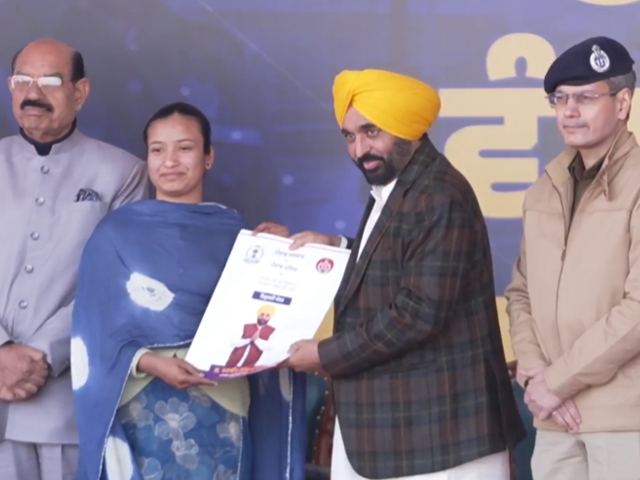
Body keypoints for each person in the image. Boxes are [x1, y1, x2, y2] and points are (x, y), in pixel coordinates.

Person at [256, 69, 525, 479]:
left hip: (438, 436)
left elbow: (417, 314)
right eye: (349, 136)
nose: (359, 149)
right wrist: (337, 247)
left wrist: (325, 354)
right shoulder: (401, 185)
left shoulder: (438, 195)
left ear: (408, 127)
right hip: (398, 433)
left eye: (371, 132)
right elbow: (403, 259)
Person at [70, 102, 307, 480]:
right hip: (141, 404)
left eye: (184, 148)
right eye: (157, 150)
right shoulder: (114, 234)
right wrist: (153, 363)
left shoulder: (237, 234)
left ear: (208, 156)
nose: (170, 161)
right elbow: (92, 332)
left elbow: (267, 318)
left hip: (222, 401)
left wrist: (282, 252)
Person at [0, 38, 148, 480]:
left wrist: (41, 354)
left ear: (80, 92)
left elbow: (120, 281)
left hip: (64, 403)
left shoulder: (122, 172)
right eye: (22, 80)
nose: (33, 93)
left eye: (49, 81)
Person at [506, 36, 640, 480]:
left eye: (585, 98)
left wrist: (558, 380)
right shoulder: (544, 190)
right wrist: (535, 375)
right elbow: (520, 293)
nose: (569, 111)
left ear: (623, 103)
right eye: (560, 99)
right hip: (555, 417)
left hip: (625, 420)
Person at [225, 304, 277, 368]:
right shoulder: (246, 326)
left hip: (249, 366)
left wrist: (257, 340)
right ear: (258, 315)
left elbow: (268, 346)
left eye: (267, 315)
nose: (263, 317)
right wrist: (249, 340)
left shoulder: (272, 330)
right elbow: (233, 342)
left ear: (270, 317)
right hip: (232, 362)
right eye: (262, 314)